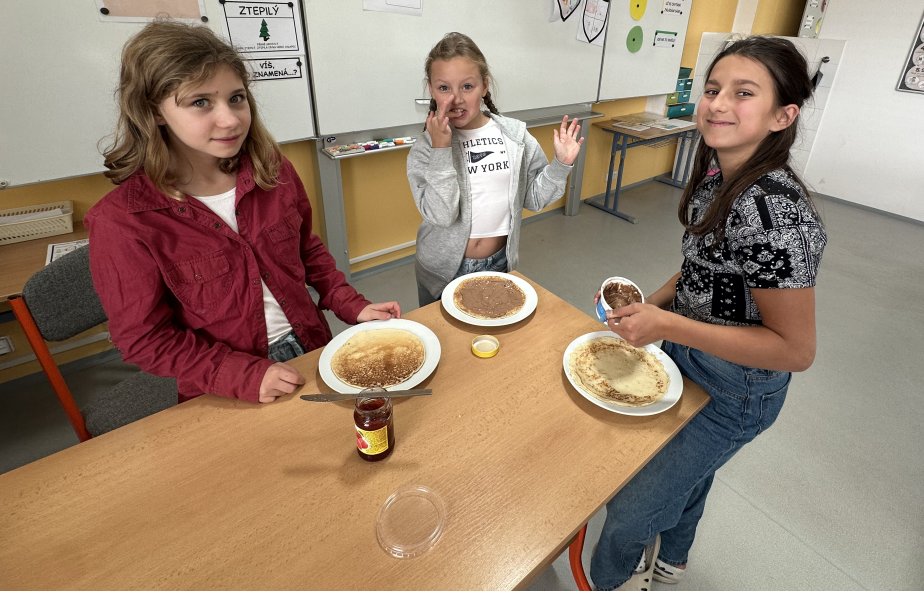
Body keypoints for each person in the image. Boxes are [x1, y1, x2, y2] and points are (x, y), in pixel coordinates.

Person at [590, 35, 827, 591]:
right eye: (713, 89)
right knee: (690, 475)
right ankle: (673, 557)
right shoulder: (717, 174)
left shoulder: (773, 214)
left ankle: (608, 582)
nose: (718, 104)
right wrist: (651, 305)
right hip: (689, 356)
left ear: (783, 115)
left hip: (735, 390)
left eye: (744, 93)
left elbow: (796, 350)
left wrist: (667, 325)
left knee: (631, 507)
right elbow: (699, 269)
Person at [86, 21, 400, 404]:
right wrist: (240, 374)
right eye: (200, 102)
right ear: (154, 111)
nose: (231, 119)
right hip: (225, 382)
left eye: (236, 98)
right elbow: (144, 339)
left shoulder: (272, 170)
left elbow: (306, 250)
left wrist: (351, 303)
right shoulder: (121, 221)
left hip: (311, 344)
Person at [407, 32, 584, 306]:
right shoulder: (425, 148)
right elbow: (442, 216)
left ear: (485, 85)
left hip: (499, 264)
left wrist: (561, 165)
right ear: (431, 90)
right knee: (443, 334)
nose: (456, 98)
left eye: (467, 86)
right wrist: (441, 150)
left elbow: (534, 199)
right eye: (444, 88)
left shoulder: (514, 136)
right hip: (441, 273)